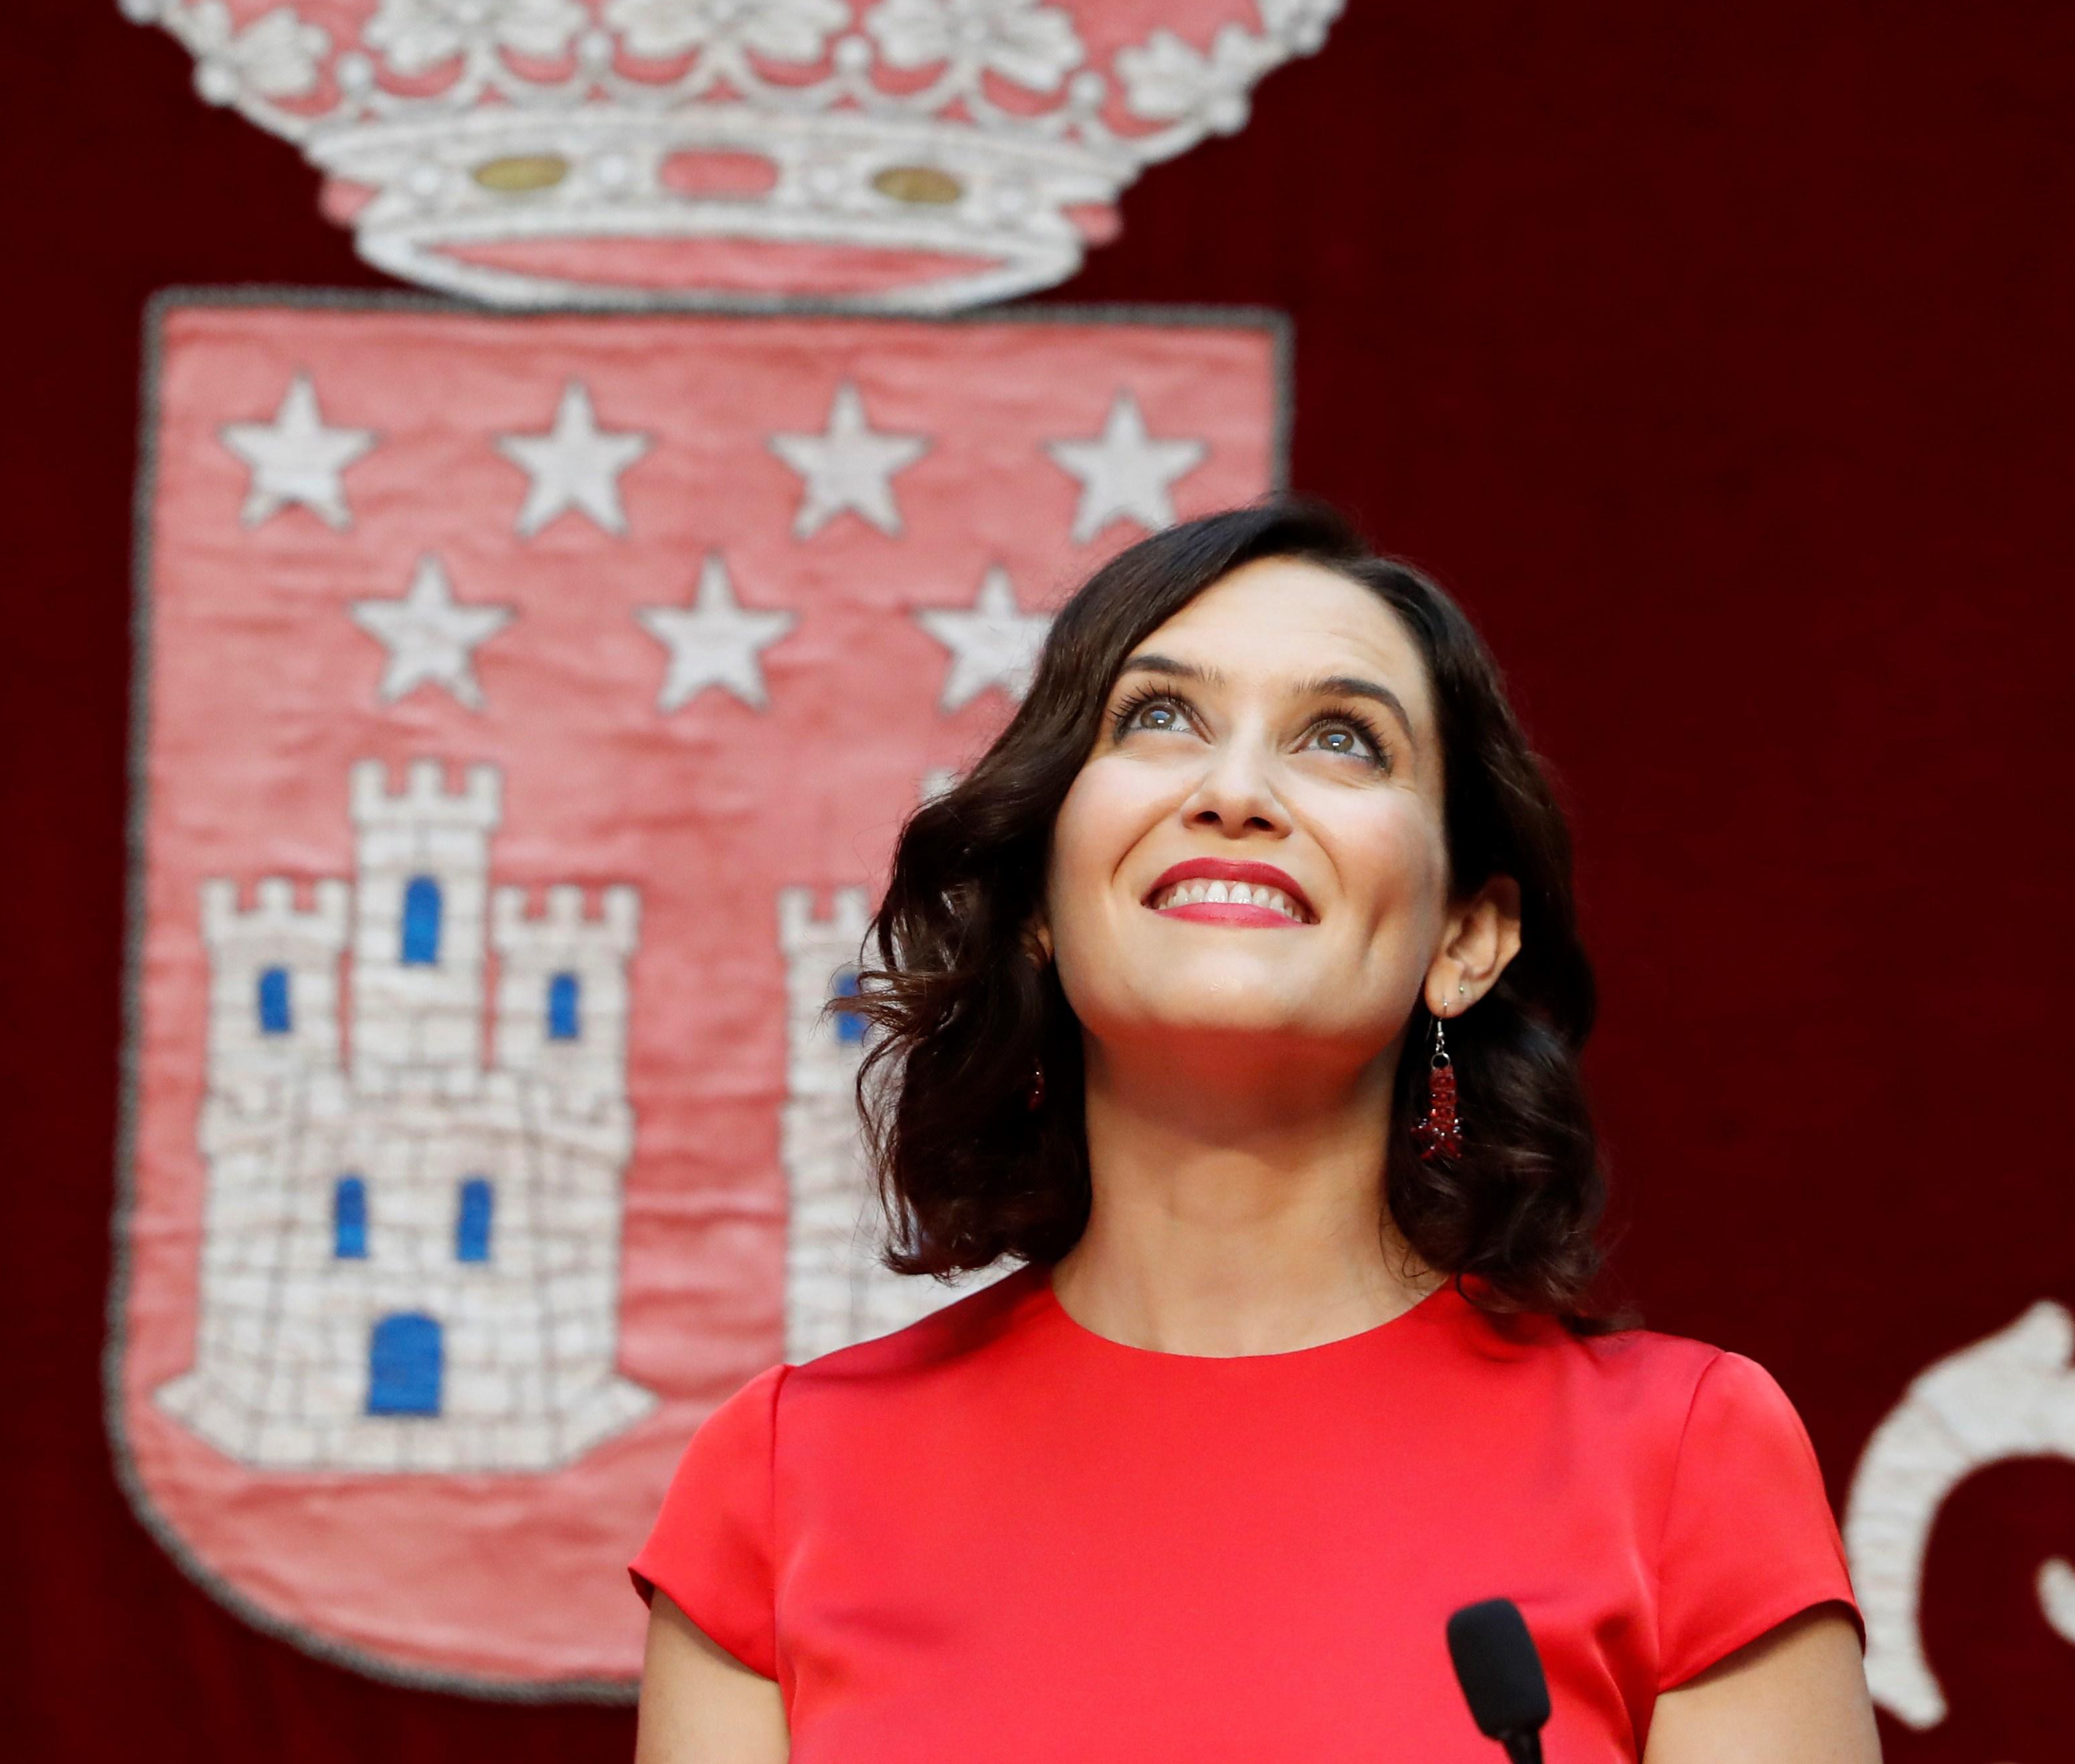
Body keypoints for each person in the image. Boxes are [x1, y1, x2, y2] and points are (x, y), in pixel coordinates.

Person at [632, 500, 1875, 1763]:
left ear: (1466, 939)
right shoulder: (789, 1480)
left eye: (1343, 739)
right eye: (1160, 718)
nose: (1236, 792)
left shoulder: (1685, 1461)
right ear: (1036, 906)